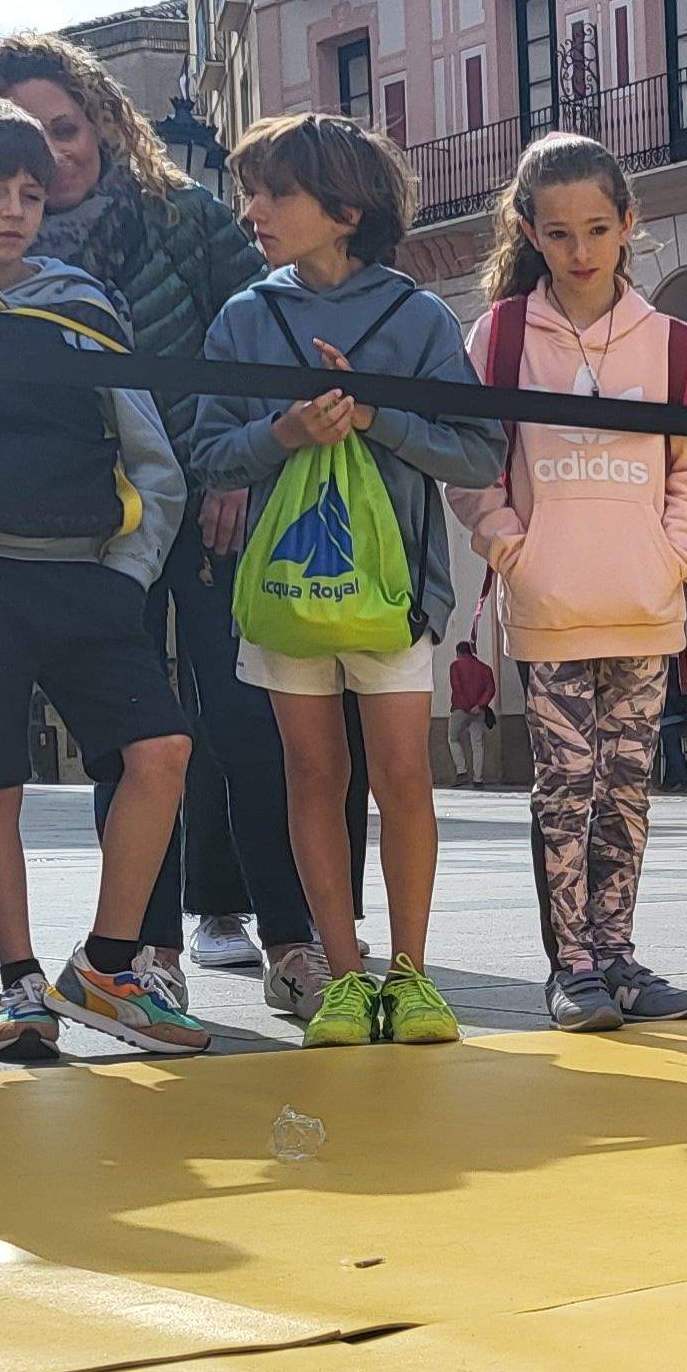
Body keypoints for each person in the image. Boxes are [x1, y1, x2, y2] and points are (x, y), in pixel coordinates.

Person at [0, 33, 293, 995]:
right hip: (75, 531)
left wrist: (233, 467)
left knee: (235, 715)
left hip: (200, 496)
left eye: (67, 127)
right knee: (116, 745)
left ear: (99, 118)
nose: (54, 158)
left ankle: (268, 934)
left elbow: (252, 337)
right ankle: (140, 951)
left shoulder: (182, 215)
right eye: (28, 142)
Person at [188, 112, 504, 1047]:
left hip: (396, 593)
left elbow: (478, 453)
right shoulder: (245, 315)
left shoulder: (418, 318)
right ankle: (342, 972)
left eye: (274, 191)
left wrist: (375, 415)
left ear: (345, 208)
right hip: (286, 594)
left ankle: (410, 976)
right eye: (251, 189)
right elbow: (209, 453)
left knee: (405, 775)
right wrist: (287, 433)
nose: (252, 211)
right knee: (310, 775)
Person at [0, 94, 205, 1063]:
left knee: (161, 751)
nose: (13, 209)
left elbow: (147, 450)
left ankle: (108, 967)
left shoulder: (80, 300)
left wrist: (129, 572)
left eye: (30, 193)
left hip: (86, 578)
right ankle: (18, 985)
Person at [448, 131, 687, 1033]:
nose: (580, 250)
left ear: (629, 225)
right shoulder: (502, 335)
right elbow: (473, 462)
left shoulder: (675, 344)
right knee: (564, 783)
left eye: (598, 229)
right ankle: (571, 968)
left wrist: (676, 556)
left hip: (643, 604)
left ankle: (619, 954)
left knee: (630, 784)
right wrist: (511, 546)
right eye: (558, 233)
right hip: (551, 602)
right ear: (529, 230)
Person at [445, 640, 494, 784]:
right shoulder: (485, 668)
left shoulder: (455, 666)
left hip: (460, 709)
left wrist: (467, 706)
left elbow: (457, 687)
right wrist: (479, 705)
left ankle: (461, 771)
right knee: (477, 744)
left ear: (458, 653)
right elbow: (490, 689)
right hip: (478, 711)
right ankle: (478, 778)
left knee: (453, 738)